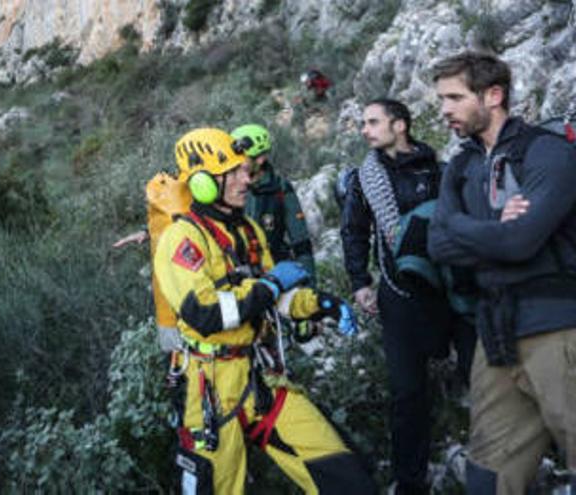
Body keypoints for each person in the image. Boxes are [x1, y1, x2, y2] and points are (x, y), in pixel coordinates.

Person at [155, 127, 376, 494]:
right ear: (205, 183)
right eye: (236, 172)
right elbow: (207, 314)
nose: (247, 178)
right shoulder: (181, 241)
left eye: (246, 169)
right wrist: (268, 286)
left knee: (344, 473)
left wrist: (316, 305)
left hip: (260, 378)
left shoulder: (250, 232)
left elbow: (275, 299)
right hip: (208, 387)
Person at [429, 51, 576, 494]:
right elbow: (437, 243)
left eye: (454, 97)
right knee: (488, 474)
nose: (444, 110)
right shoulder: (461, 165)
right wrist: (491, 227)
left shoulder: (548, 152)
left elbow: (522, 241)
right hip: (493, 337)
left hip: (558, 327)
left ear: (493, 95)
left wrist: (461, 227)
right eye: (441, 99)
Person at [341, 98, 475, 494]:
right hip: (399, 295)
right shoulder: (364, 179)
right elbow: (354, 231)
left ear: (399, 125)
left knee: (479, 375)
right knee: (407, 394)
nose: (365, 130)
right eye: (363, 123)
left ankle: (493, 460)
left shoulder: (438, 169)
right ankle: (410, 480)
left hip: (450, 290)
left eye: (372, 122)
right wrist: (359, 282)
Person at [231, 123, 316, 276]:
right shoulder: (229, 188)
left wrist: (310, 286)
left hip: (275, 272)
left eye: (243, 158)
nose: (237, 163)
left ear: (260, 159)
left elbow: (300, 241)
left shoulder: (280, 189)